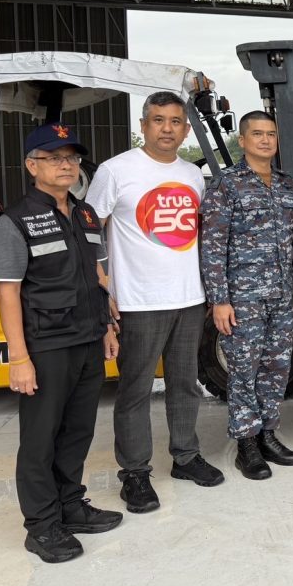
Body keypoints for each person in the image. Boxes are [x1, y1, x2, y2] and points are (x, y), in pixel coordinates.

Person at [86, 91, 224, 514]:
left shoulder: (192, 175)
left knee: (185, 384)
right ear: (143, 125)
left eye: (176, 121)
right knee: (136, 389)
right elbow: (89, 232)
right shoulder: (115, 171)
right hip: (138, 301)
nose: (167, 129)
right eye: (159, 120)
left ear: (186, 130)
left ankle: (185, 456)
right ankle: (135, 473)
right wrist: (102, 286)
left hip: (188, 298)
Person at [0, 123, 122, 563]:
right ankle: (42, 526)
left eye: (71, 157)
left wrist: (107, 327)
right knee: (40, 439)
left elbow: (97, 275)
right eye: (54, 158)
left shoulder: (86, 215)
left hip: (87, 339)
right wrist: (18, 358)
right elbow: (7, 292)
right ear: (32, 166)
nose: (66, 165)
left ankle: (70, 505)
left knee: (78, 431)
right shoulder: (15, 221)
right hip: (46, 345)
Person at [200, 111, 293, 480]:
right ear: (242, 141)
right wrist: (219, 299)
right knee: (244, 369)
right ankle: (246, 444)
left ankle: (268, 435)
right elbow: (213, 246)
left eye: (271, 134)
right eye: (257, 134)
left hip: (281, 295)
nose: (265, 140)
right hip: (242, 297)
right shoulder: (226, 185)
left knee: (277, 367)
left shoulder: (288, 185)